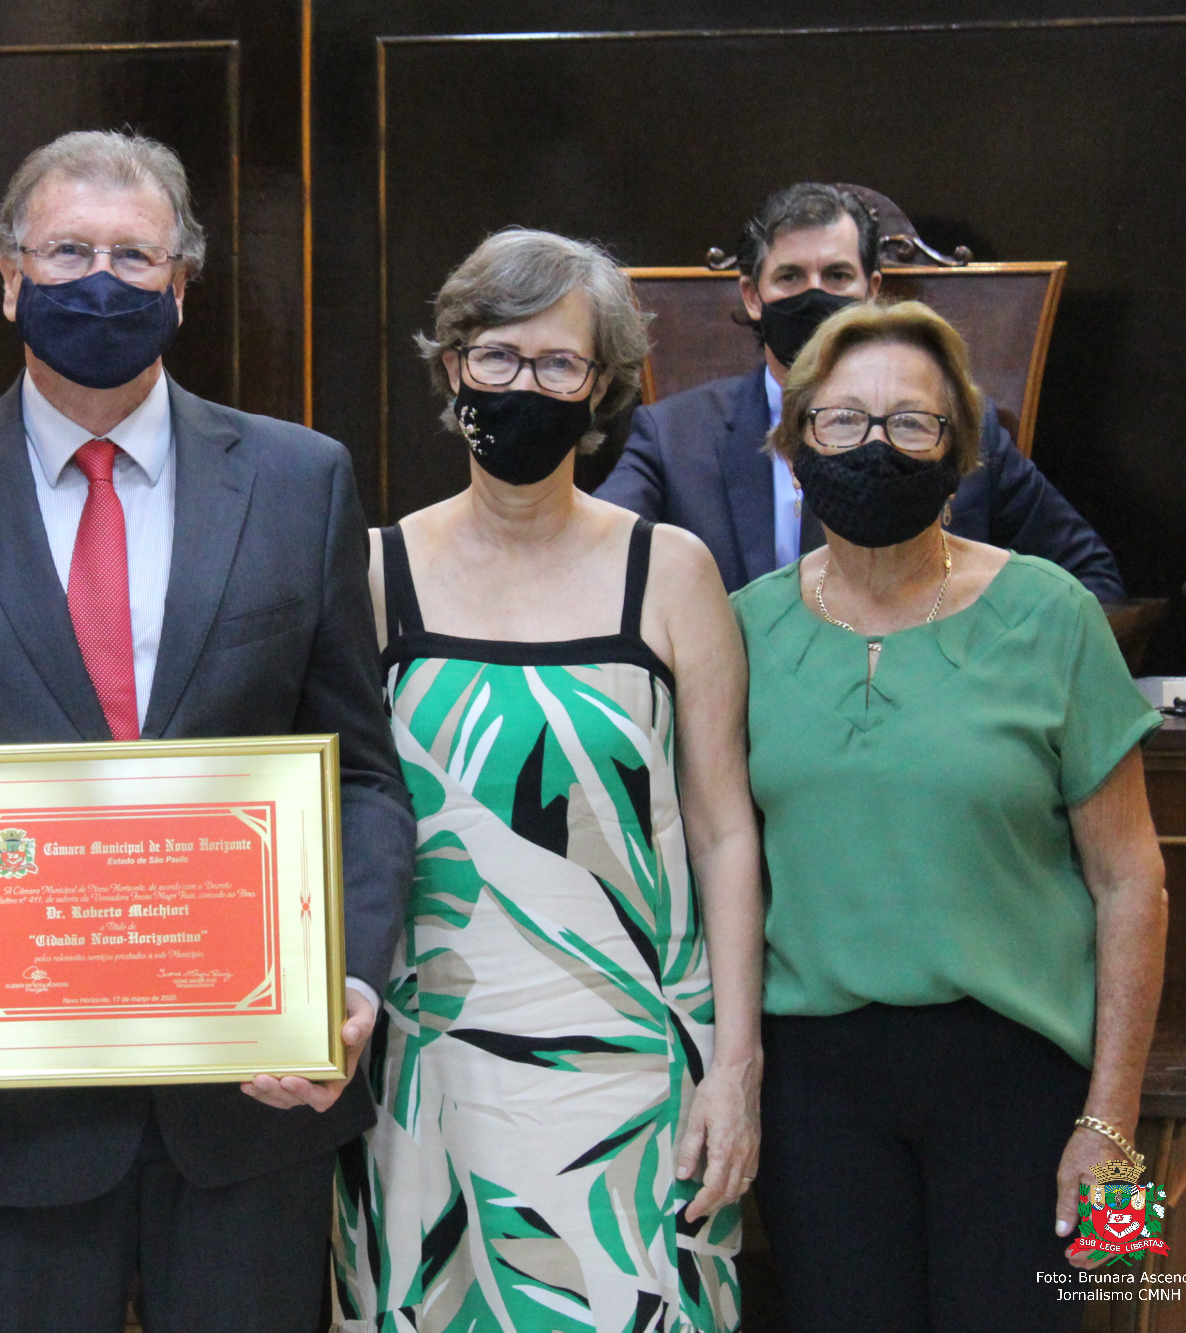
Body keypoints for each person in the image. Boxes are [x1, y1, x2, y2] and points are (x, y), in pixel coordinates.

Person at [0, 129, 415, 1333]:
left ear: (181, 284)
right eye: (68, 252)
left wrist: (349, 979)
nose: (101, 281)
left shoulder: (300, 482)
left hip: (251, 1105)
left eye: (134, 255)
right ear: (8, 276)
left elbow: (365, 779)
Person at [334, 228, 764, 1332]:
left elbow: (722, 831)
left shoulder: (670, 572)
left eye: (558, 362)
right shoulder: (371, 571)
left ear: (602, 387)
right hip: (423, 1074)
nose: (523, 385)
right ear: (451, 367)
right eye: (496, 355)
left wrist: (734, 1065)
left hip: (635, 1074)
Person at [732, 300, 1166, 1329]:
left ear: (958, 452)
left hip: (1026, 1075)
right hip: (812, 1087)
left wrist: (1111, 1122)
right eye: (842, 420)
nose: (872, 446)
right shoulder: (739, 624)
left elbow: (1132, 880)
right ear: (795, 442)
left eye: (910, 423)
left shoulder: (1053, 610)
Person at [596, 182, 1125, 600]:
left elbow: (1090, 579)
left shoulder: (959, 423)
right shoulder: (672, 435)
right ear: (752, 296)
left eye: (836, 276)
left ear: (872, 290)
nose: (814, 296)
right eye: (790, 277)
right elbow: (596, 565)